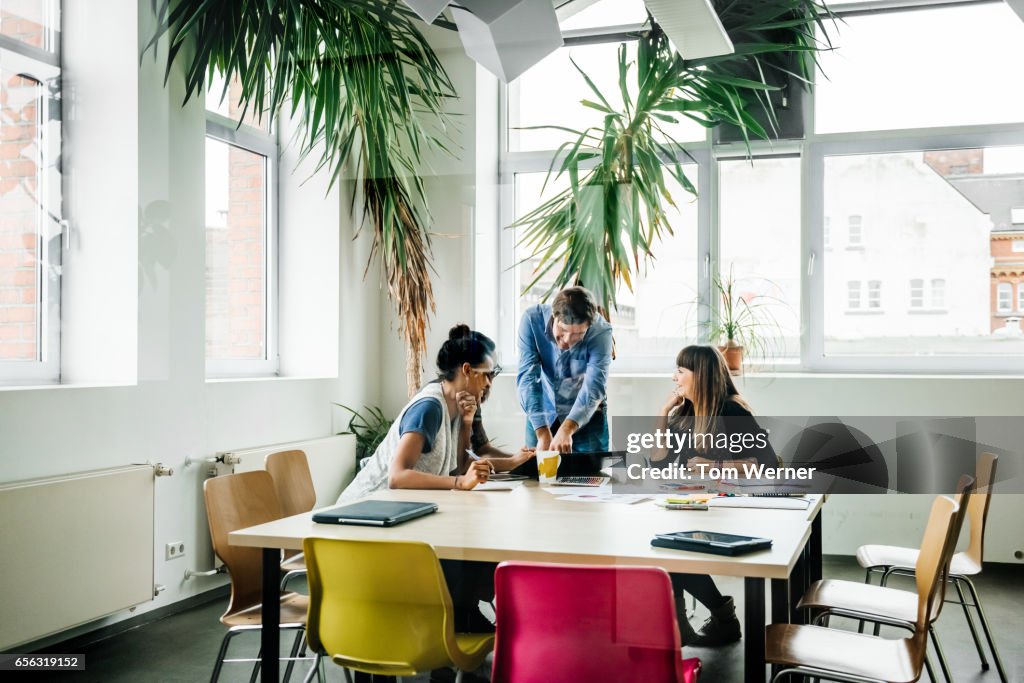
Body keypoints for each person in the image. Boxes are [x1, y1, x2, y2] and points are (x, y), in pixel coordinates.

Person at [337, 325, 535, 636]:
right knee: (460, 548)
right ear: (466, 370)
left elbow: (456, 465)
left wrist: (468, 424)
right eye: (487, 374)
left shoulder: (460, 404)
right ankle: (452, 626)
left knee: (485, 536)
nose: (489, 382)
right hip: (365, 517)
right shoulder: (429, 407)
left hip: (403, 514)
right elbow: (398, 477)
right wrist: (459, 484)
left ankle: (462, 617)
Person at [651, 344, 777, 646]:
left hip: (731, 511)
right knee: (664, 546)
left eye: (680, 371)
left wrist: (715, 465)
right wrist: (662, 413)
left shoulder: (732, 409)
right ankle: (708, 620)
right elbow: (659, 462)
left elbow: (768, 463)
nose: (674, 378)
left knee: (669, 549)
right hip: (695, 505)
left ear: (700, 375)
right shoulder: (685, 413)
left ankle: (707, 621)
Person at [516, 286, 613, 456]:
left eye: (578, 334)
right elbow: (528, 379)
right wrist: (542, 433)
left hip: (586, 416)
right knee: (536, 476)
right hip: (542, 412)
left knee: (592, 477)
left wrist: (567, 429)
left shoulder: (601, 332)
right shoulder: (531, 320)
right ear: (555, 317)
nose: (568, 341)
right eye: (563, 330)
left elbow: (594, 386)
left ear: (589, 326)